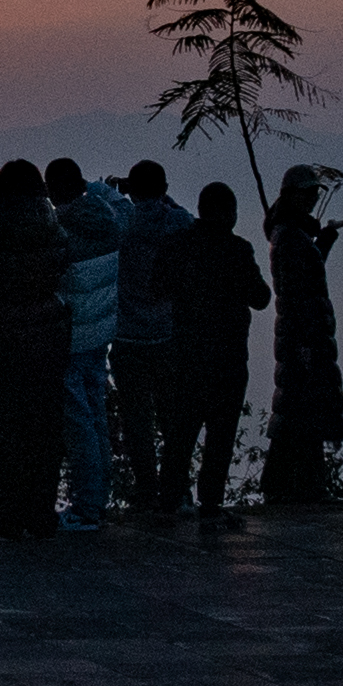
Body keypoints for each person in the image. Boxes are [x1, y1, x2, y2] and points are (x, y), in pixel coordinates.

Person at [0, 160, 71, 540]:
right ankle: (41, 514)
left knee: (2, 428)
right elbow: (64, 263)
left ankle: (6, 514)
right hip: (48, 335)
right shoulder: (53, 228)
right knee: (44, 428)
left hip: (1, 334)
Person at [156, 181, 271, 527]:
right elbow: (261, 298)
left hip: (185, 352)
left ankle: (169, 499)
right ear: (226, 213)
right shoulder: (237, 250)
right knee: (220, 434)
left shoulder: (176, 246)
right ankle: (210, 503)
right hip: (228, 355)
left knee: (181, 432)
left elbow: (157, 287)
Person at [108, 160, 194, 514]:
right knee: (173, 419)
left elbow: (108, 215)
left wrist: (117, 193)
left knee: (137, 422)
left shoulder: (121, 220)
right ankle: (179, 494)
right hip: (167, 334)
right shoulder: (176, 223)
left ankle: (146, 494)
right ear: (163, 186)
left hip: (128, 337)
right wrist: (162, 197)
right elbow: (181, 213)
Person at [261, 165, 343, 503]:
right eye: (308, 192)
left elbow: (303, 281)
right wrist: (305, 343)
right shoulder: (291, 237)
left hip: (302, 335)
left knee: (299, 410)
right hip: (304, 336)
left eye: (315, 192)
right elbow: (299, 294)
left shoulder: (290, 235)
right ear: (291, 195)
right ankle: (299, 485)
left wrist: (322, 243)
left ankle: (289, 484)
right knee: (304, 409)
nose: (313, 198)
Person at [45, 158, 126, 531]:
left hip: (71, 339)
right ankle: (98, 498)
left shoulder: (61, 230)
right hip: (100, 336)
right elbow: (121, 202)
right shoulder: (111, 220)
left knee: (77, 426)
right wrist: (101, 188)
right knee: (96, 417)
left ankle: (87, 506)